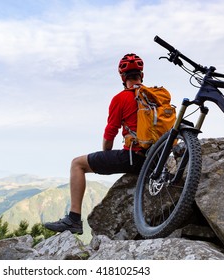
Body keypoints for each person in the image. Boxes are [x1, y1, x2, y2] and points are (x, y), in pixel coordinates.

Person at [44, 53, 147, 235]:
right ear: (142, 76)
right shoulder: (158, 96)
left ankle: (74, 220)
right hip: (156, 157)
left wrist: (106, 152)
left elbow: (110, 133)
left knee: (77, 164)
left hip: (133, 157)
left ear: (123, 78)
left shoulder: (121, 98)